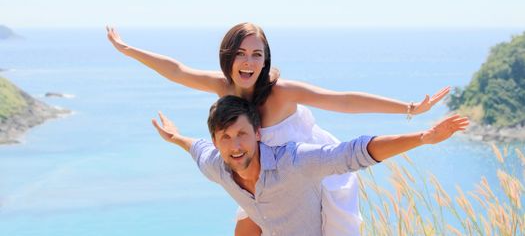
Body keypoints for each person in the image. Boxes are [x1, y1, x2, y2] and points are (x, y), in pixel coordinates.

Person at [107, 23, 450, 235]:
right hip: (263, 181)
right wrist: (127, 49)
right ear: (228, 57)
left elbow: (343, 101)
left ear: (265, 59)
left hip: (314, 171)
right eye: (241, 53)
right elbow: (178, 71)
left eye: (257, 54)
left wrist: (408, 109)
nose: (249, 62)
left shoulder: (281, 92)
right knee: (245, 227)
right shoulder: (223, 87)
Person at [152, 95, 469, 236]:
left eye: (242, 135)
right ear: (216, 140)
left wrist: (423, 137)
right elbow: (196, 147)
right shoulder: (216, 166)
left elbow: (353, 152)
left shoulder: (293, 161)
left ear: (258, 134)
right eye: (225, 137)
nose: (235, 146)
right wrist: (176, 137)